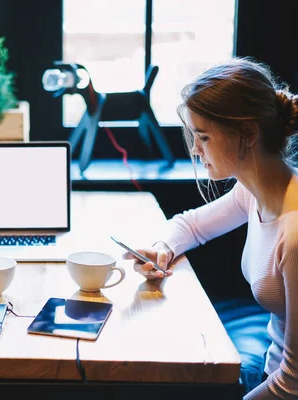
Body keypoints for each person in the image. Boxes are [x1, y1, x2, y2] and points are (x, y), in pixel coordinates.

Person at [123, 57, 298, 399]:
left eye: (203, 136)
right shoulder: (253, 190)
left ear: (247, 134)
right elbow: (189, 225)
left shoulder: (294, 236)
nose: (194, 149)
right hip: (270, 373)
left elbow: (293, 381)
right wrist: (163, 250)